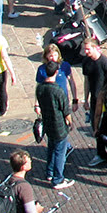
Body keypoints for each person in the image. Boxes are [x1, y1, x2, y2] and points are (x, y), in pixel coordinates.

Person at [33, 50, 74, 189]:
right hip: (59, 125)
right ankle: (58, 179)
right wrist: (70, 122)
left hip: (48, 123)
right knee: (60, 152)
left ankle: (49, 172)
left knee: (51, 148)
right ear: (56, 72)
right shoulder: (58, 90)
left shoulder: (40, 89)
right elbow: (65, 110)